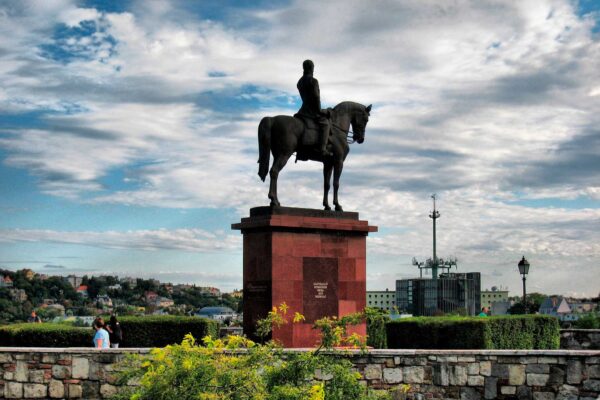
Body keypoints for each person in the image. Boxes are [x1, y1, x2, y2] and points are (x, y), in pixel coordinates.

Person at [296, 59, 332, 157]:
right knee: (325, 124)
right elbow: (316, 97)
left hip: (302, 110)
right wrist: (319, 111)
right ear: (312, 68)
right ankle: (322, 149)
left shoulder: (299, 82)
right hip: (311, 111)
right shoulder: (313, 81)